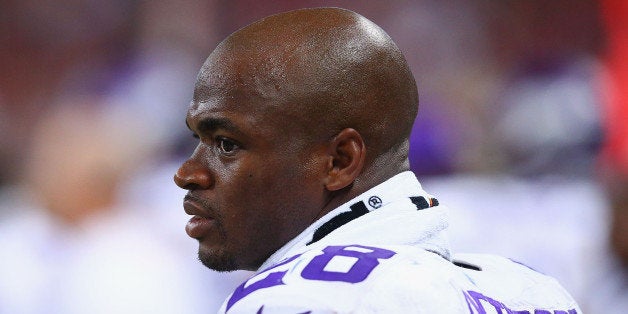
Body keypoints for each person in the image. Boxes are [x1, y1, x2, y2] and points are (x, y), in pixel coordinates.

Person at [174, 7, 581, 313]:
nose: (187, 173)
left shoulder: (297, 297)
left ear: (339, 160)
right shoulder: (535, 292)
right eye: (198, 139)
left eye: (226, 144)